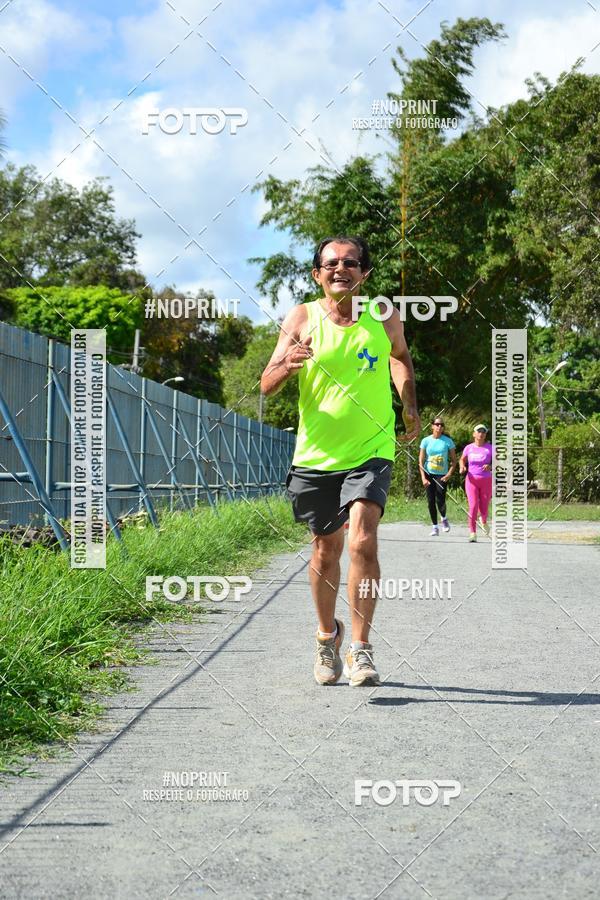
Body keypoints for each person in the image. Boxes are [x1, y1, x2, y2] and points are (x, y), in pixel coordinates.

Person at [260, 235, 420, 687]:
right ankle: (327, 637)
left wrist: (408, 404)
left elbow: (400, 357)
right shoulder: (302, 317)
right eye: (331, 263)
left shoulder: (383, 315)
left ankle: (361, 649)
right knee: (325, 551)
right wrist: (287, 363)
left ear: (364, 274)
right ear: (317, 274)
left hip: (371, 448)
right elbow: (265, 384)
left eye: (351, 263)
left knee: (362, 542)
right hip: (316, 454)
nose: (340, 269)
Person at [419, 418, 457, 536]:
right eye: (437, 424)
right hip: (428, 473)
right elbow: (421, 460)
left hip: (442, 474)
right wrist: (423, 478)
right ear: (432, 426)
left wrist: (449, 474)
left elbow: (454, 461)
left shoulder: (447, 441)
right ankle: (435, 527)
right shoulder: (426, 441)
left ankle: (444, 518)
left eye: (441, 424)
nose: (439, 426)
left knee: (440, 499)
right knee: (430, 501)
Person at [460, 424, 494, 542]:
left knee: (484, 508)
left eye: (483, 432)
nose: (481, 434)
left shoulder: (490, 448)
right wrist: (462, 467)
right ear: (474, 434)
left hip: (486, 481)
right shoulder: (469, 448)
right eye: (479, 431)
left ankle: (484, 521)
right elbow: (462, 460)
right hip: (471, 480)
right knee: (473, 506)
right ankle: (472, 533)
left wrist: (490, 466)